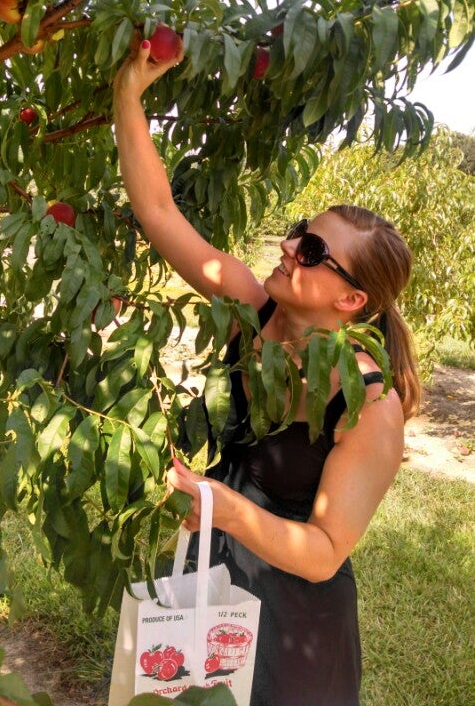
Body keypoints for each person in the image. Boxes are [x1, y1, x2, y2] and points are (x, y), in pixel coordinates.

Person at [112, 38, 421, 706]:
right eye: (300, 230)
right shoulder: (249, 311)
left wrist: (224, 508)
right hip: (217, 577)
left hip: (296, 628)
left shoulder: (369, 403)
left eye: (312, 250)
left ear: (351, 300)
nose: (287, 245)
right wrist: (127, 95)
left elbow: (326, 550)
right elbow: (159, 211)